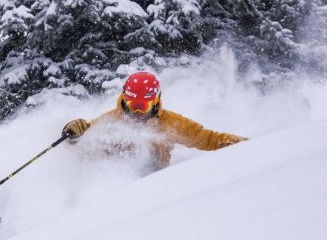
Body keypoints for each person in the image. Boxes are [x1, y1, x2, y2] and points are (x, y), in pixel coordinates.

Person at [62, 71, 247, 170]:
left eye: (143, 106)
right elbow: (81, 142)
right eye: (132, 105)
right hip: (117, 182)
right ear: (124, 99)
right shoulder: (112, 119)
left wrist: (249, 146)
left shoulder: (171, 123)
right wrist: (73, 134)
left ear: (156, 101)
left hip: (156, 184)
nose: (136, 113)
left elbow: (209, 140)